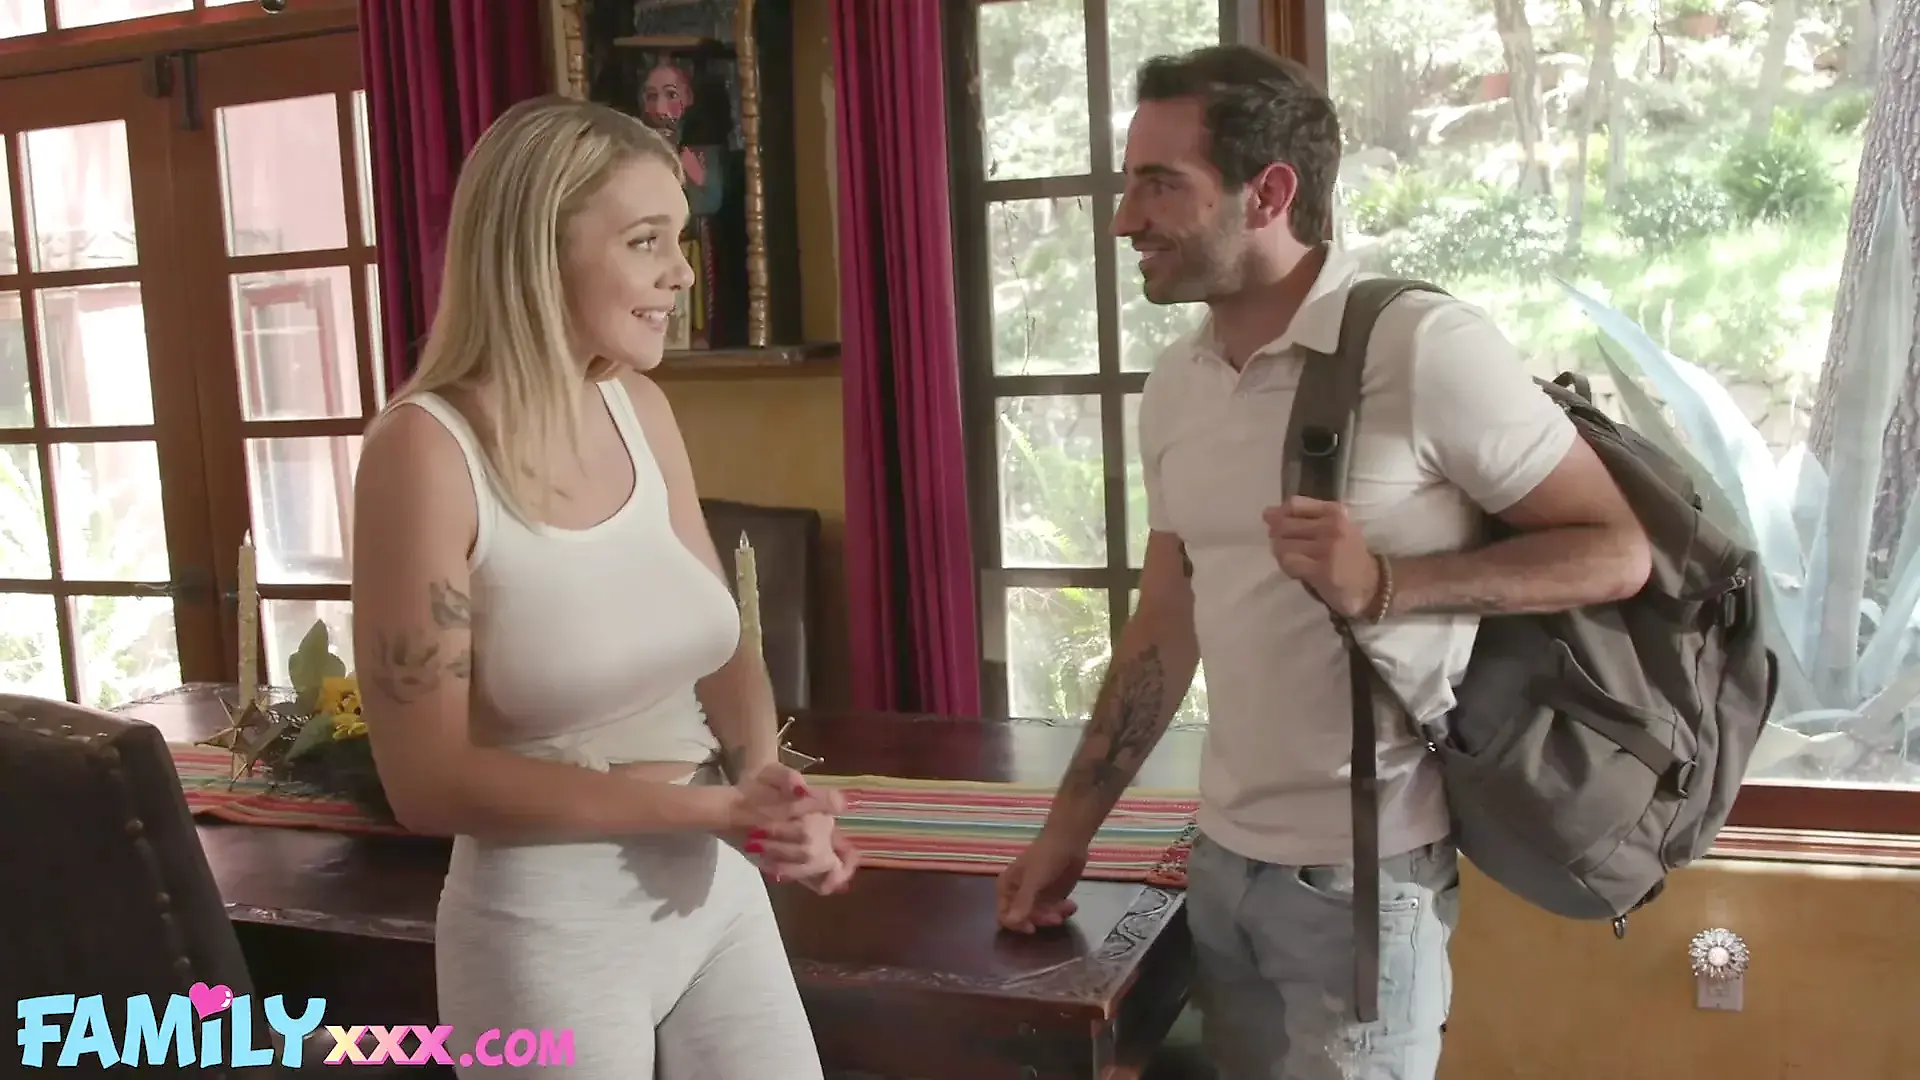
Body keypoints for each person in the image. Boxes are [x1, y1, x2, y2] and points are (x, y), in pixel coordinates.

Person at [995, 45, 1652, 1080]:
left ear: (1269, 194)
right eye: (1129, 184)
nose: (1124, 220)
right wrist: (1067, 833)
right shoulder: (1177, 384)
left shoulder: (1420, 346)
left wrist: (1390, 585)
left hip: (1365, 883)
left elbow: (1615, 551)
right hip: (1220, 868)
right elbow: (1164, 625)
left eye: (1160, 184)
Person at [350, 95, 855, 1080]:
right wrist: (714, 813)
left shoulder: (641, 408)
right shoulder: (425, 452)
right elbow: (425, 783)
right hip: (546, 935)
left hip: (716, 900)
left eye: (680, 239)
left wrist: (768, 785)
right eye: (645, 240)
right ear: (538, 252)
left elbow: (721, 646)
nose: (683, 273)